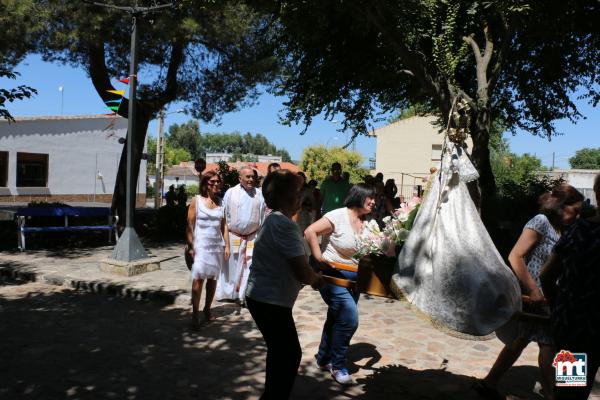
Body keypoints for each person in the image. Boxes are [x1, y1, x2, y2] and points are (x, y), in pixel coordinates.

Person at [476, 184, 584, 400]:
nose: (579, 215)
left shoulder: (564, 229)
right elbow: (515, 256)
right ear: (561, 207)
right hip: (541, 297)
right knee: (550, 344)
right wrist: (533, 290)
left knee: (522, 338)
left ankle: (489, 382)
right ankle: (553, 393)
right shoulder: (541, 222)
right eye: (576, 210)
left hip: (553, 295)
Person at [246, 169, 325, 400]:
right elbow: (302, 272)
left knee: (280, 351)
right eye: (297, 191)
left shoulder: (278, 220)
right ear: (282, 195)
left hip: (264, 299)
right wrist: (316, 280)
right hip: (269, 302)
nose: (301, 197)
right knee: (290, 355)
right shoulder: (283, 224)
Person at [304, 184, 376, 385]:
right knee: (349, 319)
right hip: (332, 278)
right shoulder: (337, 216)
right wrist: (318, 257)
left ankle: (324, 358)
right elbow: (310, 232)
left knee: (336, 318)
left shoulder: (367, 222)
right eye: (370, 198)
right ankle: (338, 365)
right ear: (359, 197)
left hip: (355, 280)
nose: (373, 202)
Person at [540, 175, 599, 400]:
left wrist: (559, 308)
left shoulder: (578, 230)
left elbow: (546, 275)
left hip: (572, 326)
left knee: (569, 391)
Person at [186, 171, 230, 328]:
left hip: (216, 246)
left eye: (218, 181)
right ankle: (195, 314)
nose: (216, 184)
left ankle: (207, 309)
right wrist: (191, 246)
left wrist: (227, 246)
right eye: (212, 182)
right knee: (198, 279)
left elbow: (224, 226)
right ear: (205, 184)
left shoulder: (221, 202)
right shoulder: (196, 201)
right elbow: (190, 225)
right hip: (200, 246)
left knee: (212, 280)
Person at [216, 165, 266, 303]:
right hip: (234, 237)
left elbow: (263, 217)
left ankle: (244, 295)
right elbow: (224, 216)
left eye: (252, 177)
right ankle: (229, 293)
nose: (251, 179)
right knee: (231, 266)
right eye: (247, 177)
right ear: (240, 178)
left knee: (248, 267)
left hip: (252, 237)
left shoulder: (260, 194)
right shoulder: (230, 193)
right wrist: (224, 241)